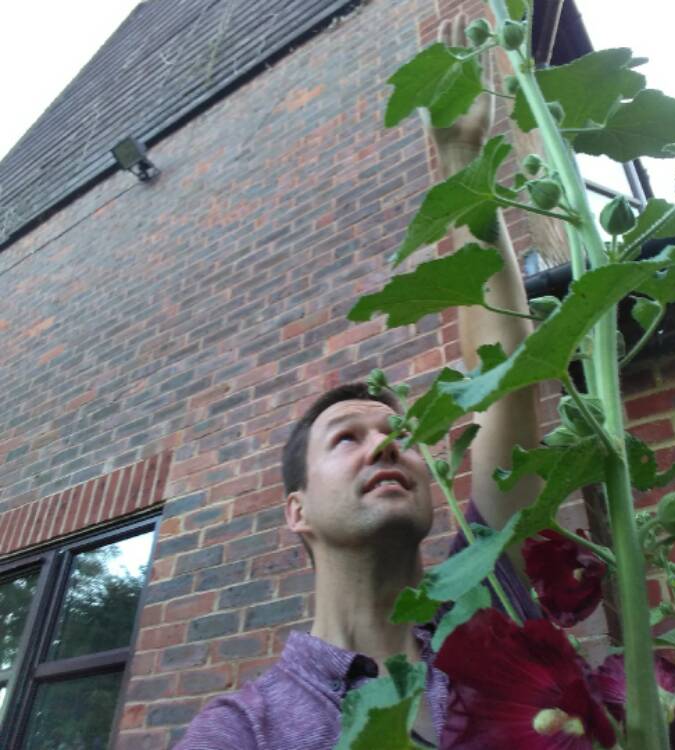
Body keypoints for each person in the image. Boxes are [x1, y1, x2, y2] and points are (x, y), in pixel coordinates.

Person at [176, 14, 541, 749]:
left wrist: (463, 164)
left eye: (401, 434)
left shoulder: (488, 614)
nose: (386, 445)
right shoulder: (246, 726)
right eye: (347, 437)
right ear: (296, 512)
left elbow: (508, 380)